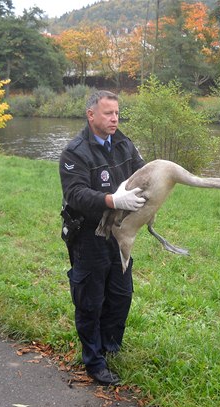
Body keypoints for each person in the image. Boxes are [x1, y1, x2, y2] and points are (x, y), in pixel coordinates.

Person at [59, 90, 146, 386]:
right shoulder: (75, 152)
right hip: (88, 234)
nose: (114, 118)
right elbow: (76, 194)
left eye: (117, 113)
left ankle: (110, 346)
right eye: (108, 113)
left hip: (119, 234)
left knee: (121, 294)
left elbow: (142, 174)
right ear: (91, 115)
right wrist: (113, 200)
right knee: (90, 300)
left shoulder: (124, 143)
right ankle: (94, 361)